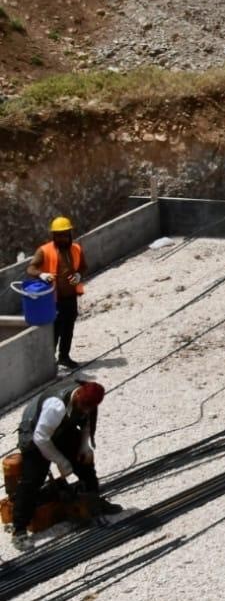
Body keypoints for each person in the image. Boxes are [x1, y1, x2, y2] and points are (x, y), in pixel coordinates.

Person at [9, 380, 120, 549]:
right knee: (33, 479)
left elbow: (86, 424)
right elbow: (41, 438)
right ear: (78, 396)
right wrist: (61, 461)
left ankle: (94, 504)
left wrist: (84, 446)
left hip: (61, 428)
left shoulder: (88, 402)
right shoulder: (56, 407)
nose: (86, 410)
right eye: (84, 407)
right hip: (35, 433)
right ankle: (19, 529)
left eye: (89, 408)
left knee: (85, 465)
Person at [27, 216, 87, 369]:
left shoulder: (76, 248)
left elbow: (83, 266)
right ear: (54, 236)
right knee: (55, 331)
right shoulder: (44, 250)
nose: (62, 238)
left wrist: (79, 275)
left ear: (69, 234)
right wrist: (41, 274)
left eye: (65, 235)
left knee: (68, 328)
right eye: (59, 235)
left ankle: (64, 357)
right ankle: (49, 362)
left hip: (70, 297)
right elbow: (31, 268)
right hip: (53, 299)